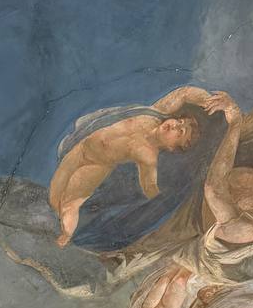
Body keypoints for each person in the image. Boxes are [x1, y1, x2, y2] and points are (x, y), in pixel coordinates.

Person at [48, 86, 233, 246]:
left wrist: (161, 202)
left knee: (70, 203)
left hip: (97, 165)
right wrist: (210, 101)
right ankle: (59, 222)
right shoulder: (154, 114)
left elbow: (150, 189)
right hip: (80, 148)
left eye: (180, 132)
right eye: (180, 121)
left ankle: (66, 235)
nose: (176, 125)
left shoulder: (148, 157)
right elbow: (184, 93)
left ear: (172, 147)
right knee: (54, 197)